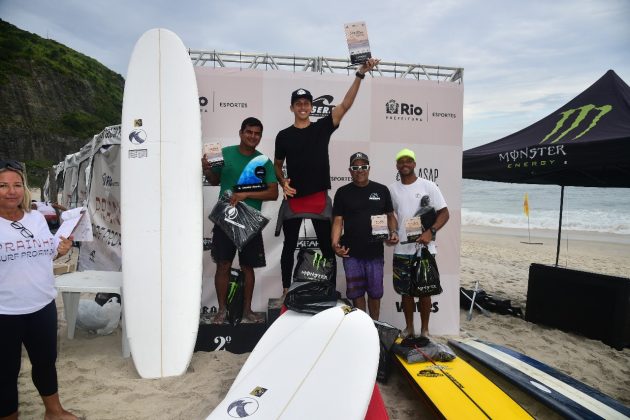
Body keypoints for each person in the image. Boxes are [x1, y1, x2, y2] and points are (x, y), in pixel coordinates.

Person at [274, 58, 380, 295]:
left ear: (312, 107)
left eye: (306, 103)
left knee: (326, 246)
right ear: (292, 107)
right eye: (298, 103)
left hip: (319, 200)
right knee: (288, 246)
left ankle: (329, 290)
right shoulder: (283, 136)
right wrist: (282, 182)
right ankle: (285, 290)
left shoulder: (322, 127)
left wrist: (360, 74)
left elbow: (345, 105)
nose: (302, 106)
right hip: (295, 200)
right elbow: (277, 164)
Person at [0, 159, 76, 420]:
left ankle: (54, 412)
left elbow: (44, 254)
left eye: (17, 185)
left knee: (45, 363)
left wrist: (59, 250)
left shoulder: (36, 218)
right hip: (5, 311)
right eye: (3, 185)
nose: (12, 191)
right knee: (5, 372)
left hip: (42, 305)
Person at [201, 118, 278, 324]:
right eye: (249, 132)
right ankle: (221, 311)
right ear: (241, 133)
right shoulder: (224, 153)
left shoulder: (263, 161)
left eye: (257, 133)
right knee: (223, 264)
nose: (253, 136)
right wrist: (206, 168)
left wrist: (245, 195)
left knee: (247, 267)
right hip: (225, 217)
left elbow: (273, 192)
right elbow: (214, 180)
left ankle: (247, 311)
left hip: (250, 221)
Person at [388, 148, 450, 338]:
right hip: (402, 248)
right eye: (401, 161)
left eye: (408, 161)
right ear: (397, 165)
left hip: (424, 248)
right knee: (405, 292)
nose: (405, 164)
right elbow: (391, 216)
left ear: (414, 164)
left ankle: (425, 330)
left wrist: (430, 232)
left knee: (424, 290)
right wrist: (392, 232)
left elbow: (444, 213)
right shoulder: (392, 189)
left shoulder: (428, 186)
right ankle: (409, 328)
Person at [331, 152, 398, 320]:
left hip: (374, 252)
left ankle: (375, 325)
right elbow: (338, 220)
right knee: (356, 292)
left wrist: (394, 232)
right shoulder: (342, 192)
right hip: (350, 252)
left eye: (363, 167)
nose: (359, 170)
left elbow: (390, 215)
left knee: (375, 293)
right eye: (355, 167)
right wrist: (334, 243)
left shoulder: (381, 190)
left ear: (369, 169)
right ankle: (363, 324)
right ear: (350, 170)